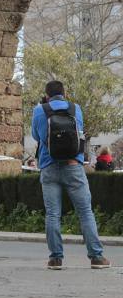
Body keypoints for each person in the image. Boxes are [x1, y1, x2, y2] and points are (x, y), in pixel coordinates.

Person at [31, 80, 111, 270]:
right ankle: (96, 257)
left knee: (52, 214)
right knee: (85, 212)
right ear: (64, 93)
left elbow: (36, 136)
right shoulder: (76, 109)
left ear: (47, 95)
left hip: (49, 166)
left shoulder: (39, 110)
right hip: (73, 166)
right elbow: (79, 133)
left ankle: (56, 259)